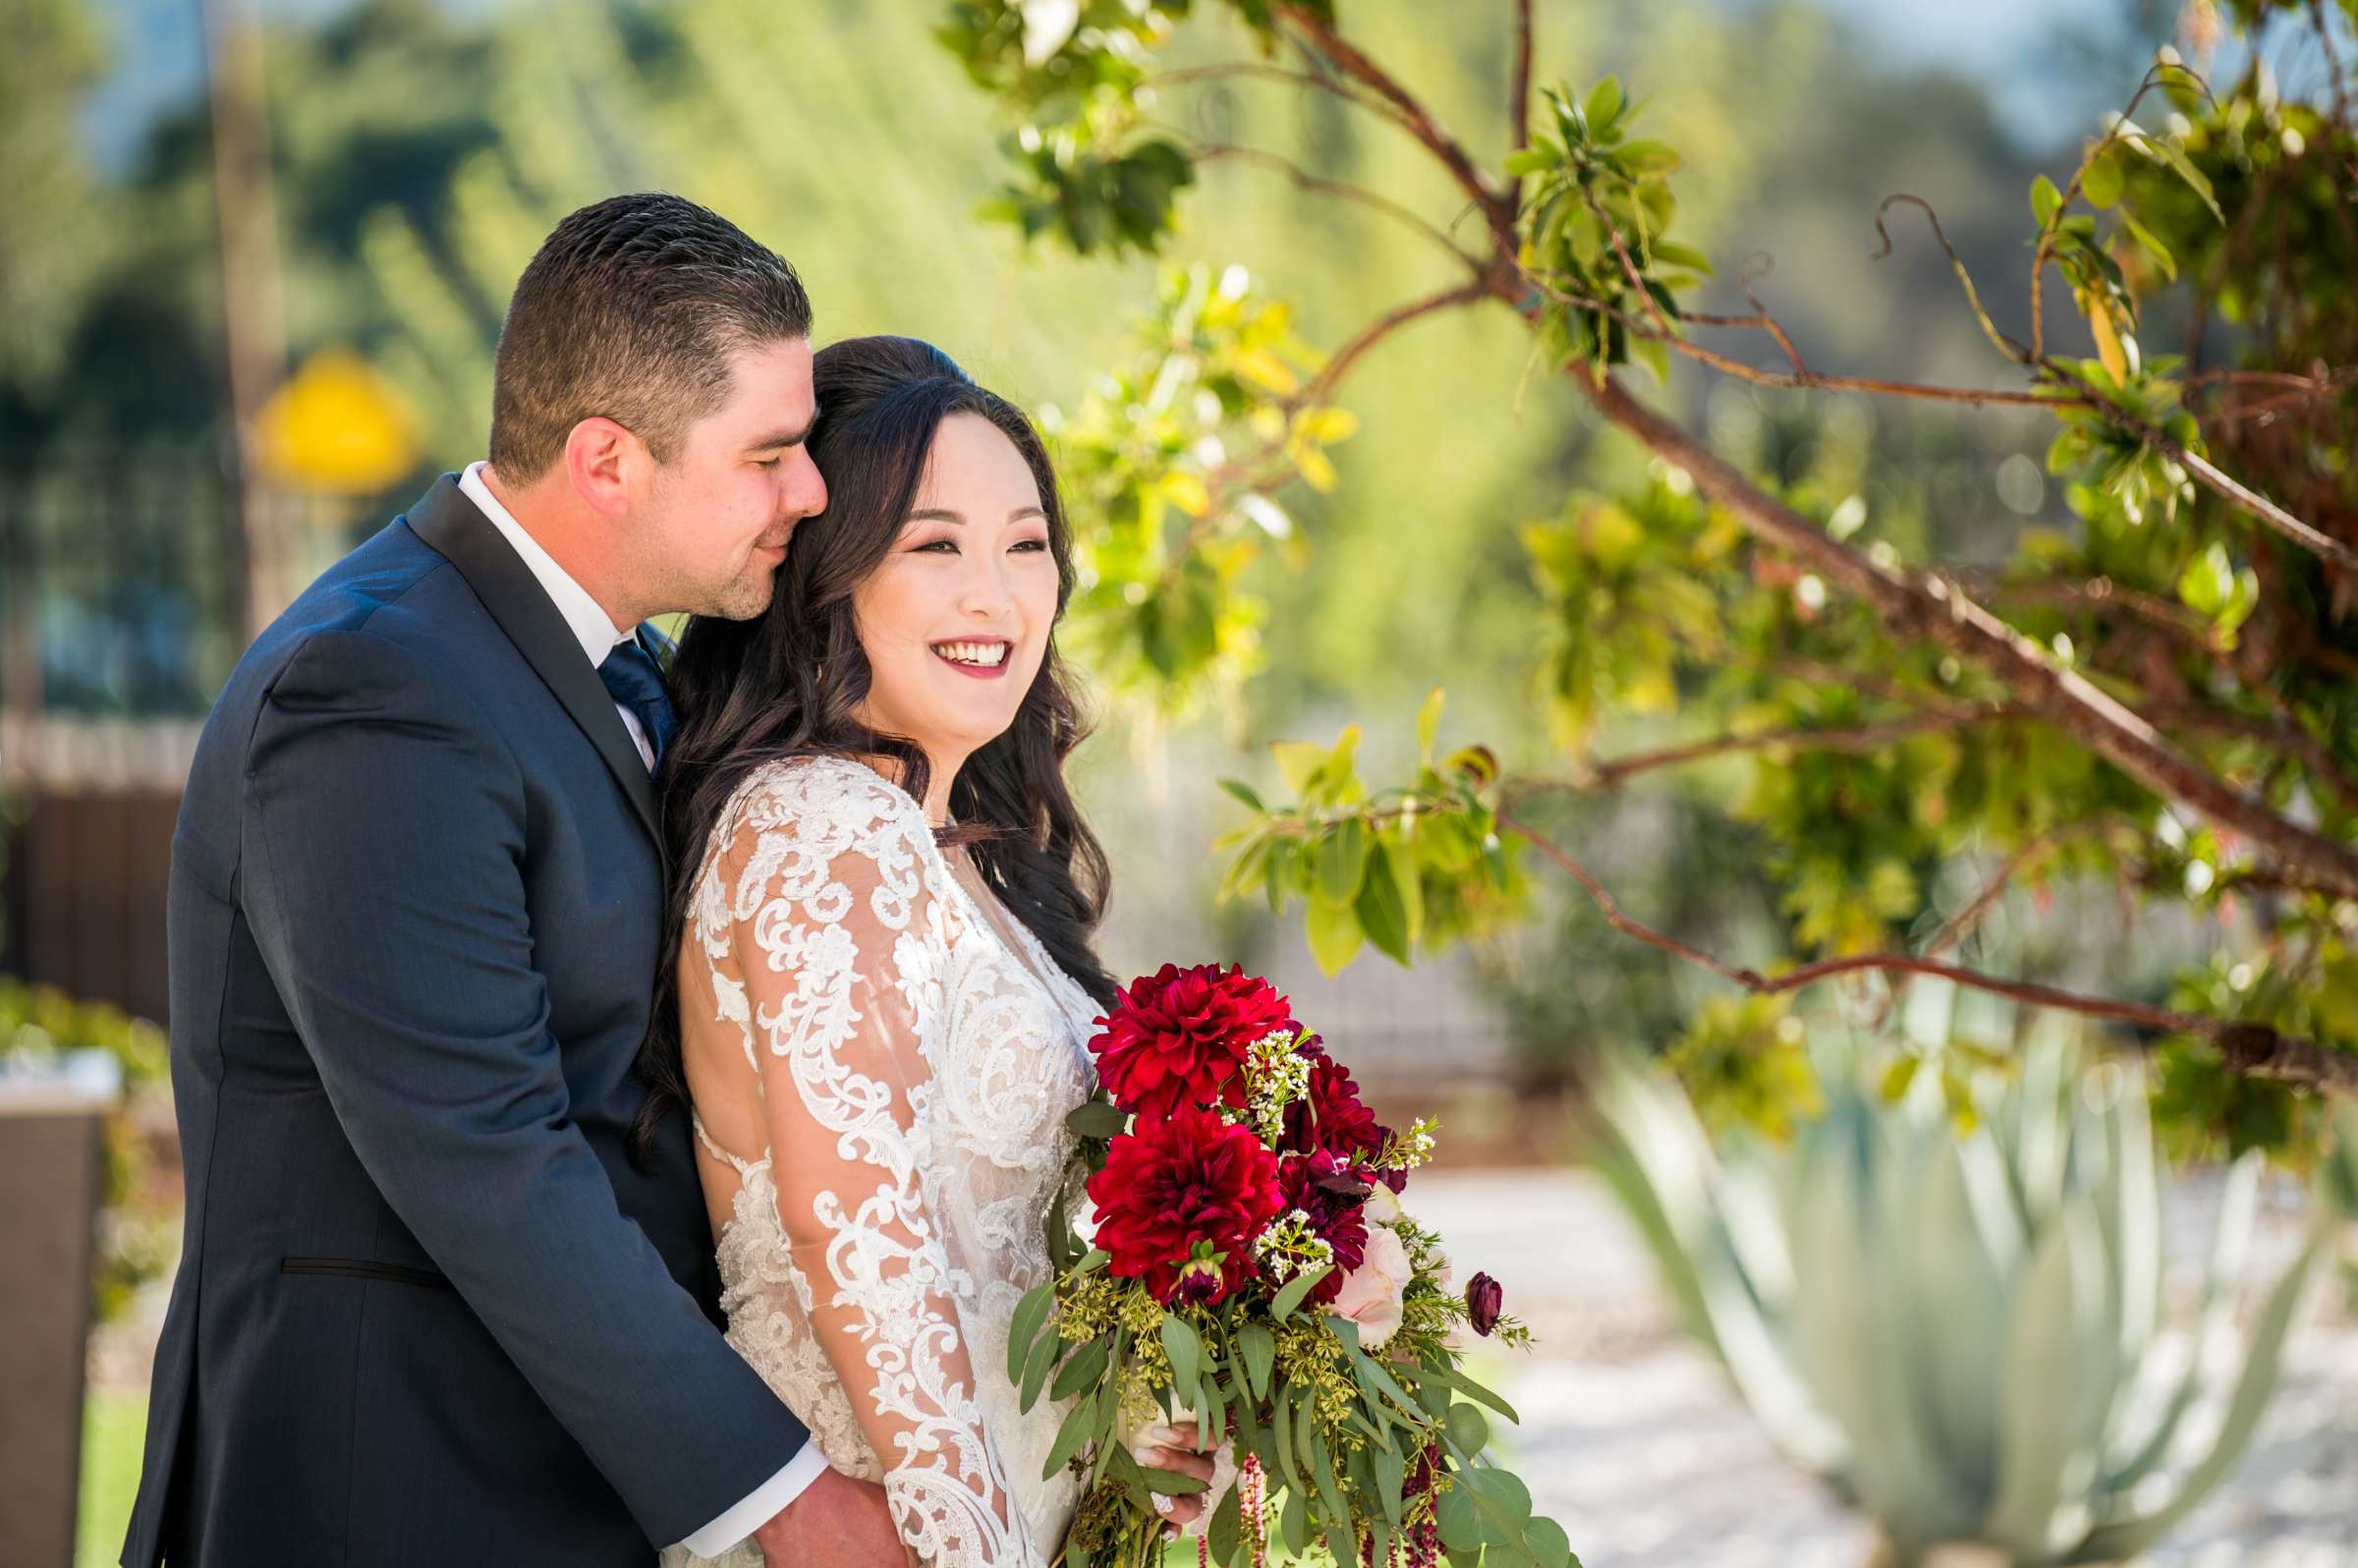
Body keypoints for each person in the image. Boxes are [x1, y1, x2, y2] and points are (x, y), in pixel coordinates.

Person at [123, 194, 907, 1568]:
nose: (813, 492)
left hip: (562, 1477)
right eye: (771, 454)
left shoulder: (620, 667)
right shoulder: (374, 693)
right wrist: (790, 1499)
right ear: (607, 460)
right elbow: (489, 1156)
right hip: (400, 1492)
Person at [646, 335, 1219, 1568]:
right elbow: (858, 1235)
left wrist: (1137, 1423)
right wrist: (970, 1545)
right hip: (899, 1531)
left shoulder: (957, 854)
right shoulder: (823, 823)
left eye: (1026, 544)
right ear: (824, 581)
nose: (997, 594)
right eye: (935, 544)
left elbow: (992, 1260)